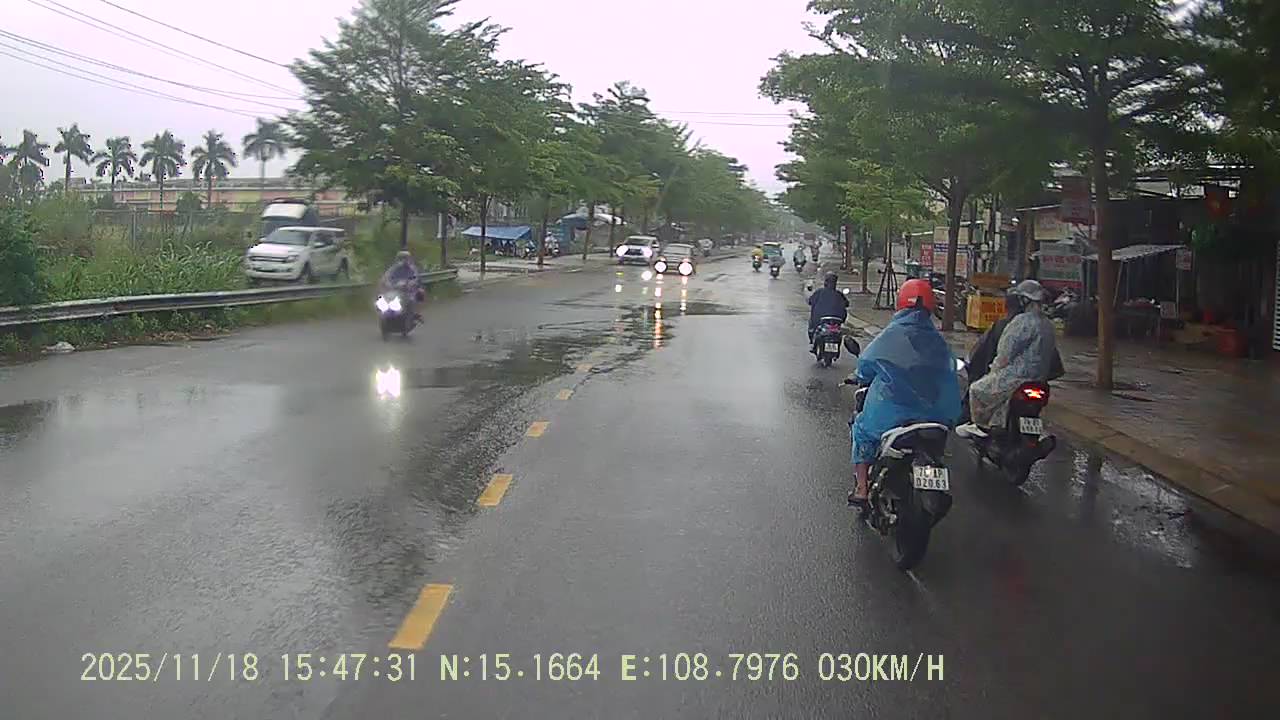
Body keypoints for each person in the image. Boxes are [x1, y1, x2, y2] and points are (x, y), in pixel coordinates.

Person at [848, 278, 961, 505]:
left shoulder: (892, 334)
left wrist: (860, 375)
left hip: (893, 414)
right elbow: (948, 371)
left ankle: (862, 488)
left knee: (861, 431)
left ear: (900, 302)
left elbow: (866, 364)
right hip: (933, 414)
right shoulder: (937, 340)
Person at [956, 280, 1059, 438]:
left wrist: (993, 372)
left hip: (1015, 378)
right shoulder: (1047, 325)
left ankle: (981, 426)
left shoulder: (1021, 322)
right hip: (1039, 379)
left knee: (977, 389)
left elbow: (1005, 354)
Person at [807, 271, 849, 347]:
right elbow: (847, 304)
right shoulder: (839, 294)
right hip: (836, 321)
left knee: (812, 325)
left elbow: (810, 301)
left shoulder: (819, 292)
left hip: (820, 321)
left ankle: (812, 343)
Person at [380, 251, 423, 322]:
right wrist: (386, 282)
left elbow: (415, 277)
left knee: (420, 293)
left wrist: (411, 283)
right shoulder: (393, 268)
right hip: (395, 290)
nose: (404, 260)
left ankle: (417, 313)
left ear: (409, 259)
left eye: (405, 258)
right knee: (383, 298)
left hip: (409, 290)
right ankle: (384, 315)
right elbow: (386, 276)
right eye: (401, 258)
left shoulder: (412, 268)